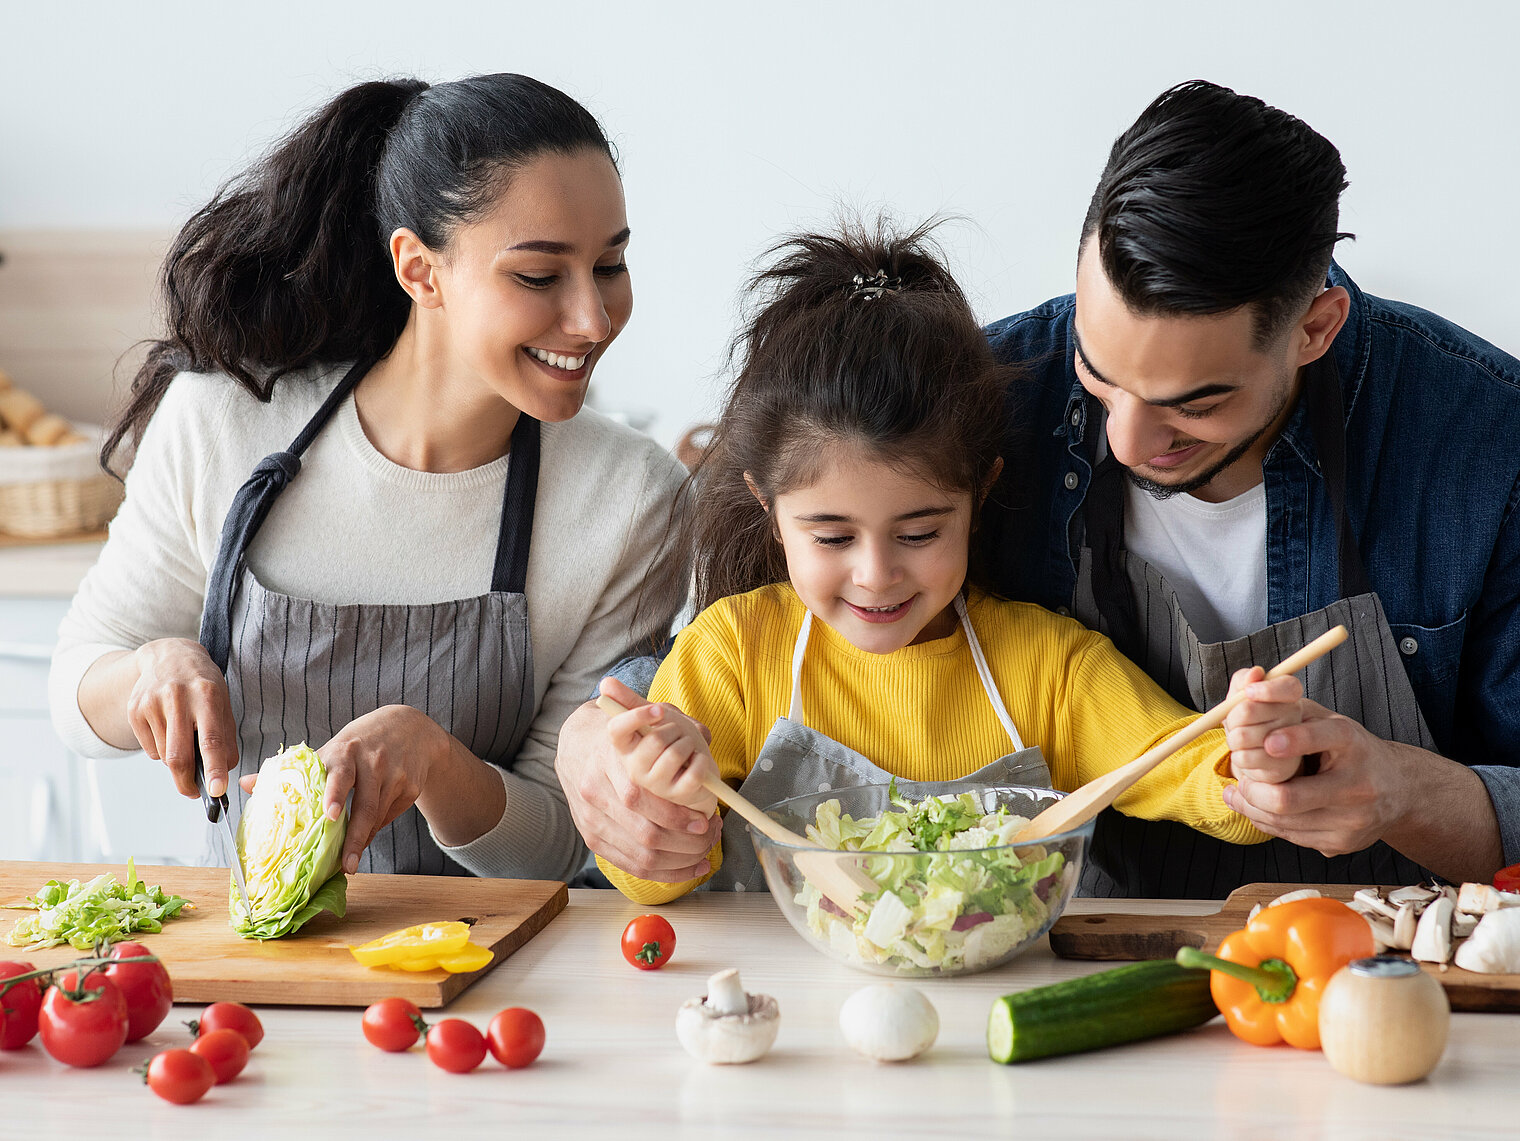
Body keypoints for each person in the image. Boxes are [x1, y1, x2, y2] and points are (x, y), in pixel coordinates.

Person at [557, 80, 1519, 898]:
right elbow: (718, 660)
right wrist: (602, 743)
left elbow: (1187, 758)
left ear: (1315, 328)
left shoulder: (1480, 439)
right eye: (1100, 372)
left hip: (1398, 956)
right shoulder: (986, 392)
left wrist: (1394, 785)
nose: (1127, 438)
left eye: (1195, 402)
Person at [49, 74, 686, 882]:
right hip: (246, 964)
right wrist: (146, 669)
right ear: (419, 270)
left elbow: (568, 842)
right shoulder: (221, 423)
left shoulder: (631, 499)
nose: (593, 319)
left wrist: (437, 762)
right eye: (539, 276)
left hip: (490, 975)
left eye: (612, 264)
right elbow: (76, 684)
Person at [593, 222, 1307, 904]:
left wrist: (1254, 755)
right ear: (770, 511)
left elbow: (1197, 777)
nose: (876, 574)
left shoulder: (1046, 666)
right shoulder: (732, 653)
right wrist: (664, 800)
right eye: (833, 537)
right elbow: (651, 880)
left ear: (980, 492)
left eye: (919, 533)